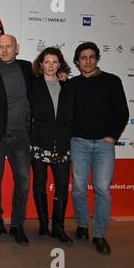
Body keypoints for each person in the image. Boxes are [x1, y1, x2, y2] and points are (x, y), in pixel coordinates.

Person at [69, 42, 129, 255]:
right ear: (77, 62)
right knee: (78, 188)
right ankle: (83, 224)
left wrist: (113, 136)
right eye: (83, 58)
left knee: (102, 189)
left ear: (97, 59)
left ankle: (100, 234)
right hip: (78, 143)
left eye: (91, 57)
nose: (87, 61)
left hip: (104, 145)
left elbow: (122, 112)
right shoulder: (72, 84)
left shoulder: (112, 81)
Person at [0, 34, 34, 246]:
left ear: (17, 48)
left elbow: (49, 77)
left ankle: (17, 224)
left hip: (21, 135)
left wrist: (61, 76)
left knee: (23, 180)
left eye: (9, 46)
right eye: (1, 47)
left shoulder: (28, 69)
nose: (4, 50)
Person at [30, 47, 73, 244]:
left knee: (62, 185)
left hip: (62, 143)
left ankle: (58, 227)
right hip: (39, 142)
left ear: (60, 65)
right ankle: (42, 224)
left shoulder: (68, 86)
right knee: (39, 183)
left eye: (54, 62)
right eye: (47, 62)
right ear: (41, 64)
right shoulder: (33, 85)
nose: (50, 66)